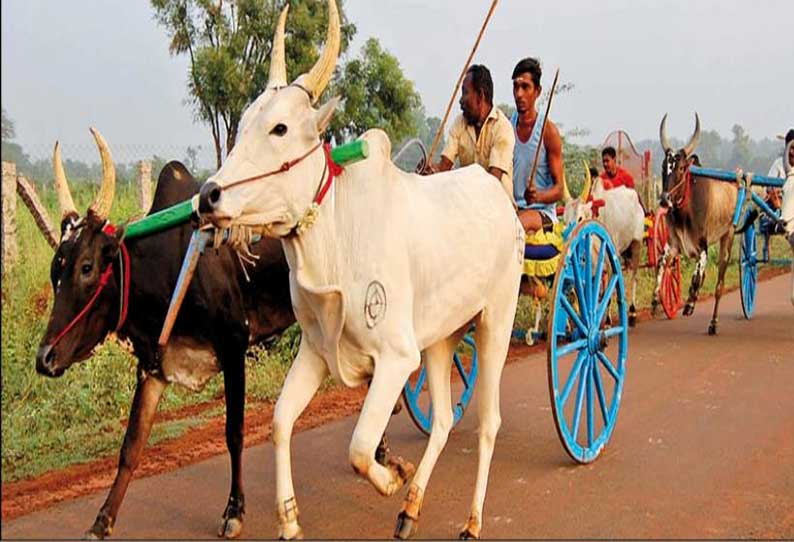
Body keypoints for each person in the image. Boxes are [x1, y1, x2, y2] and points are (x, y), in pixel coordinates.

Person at [426, 64, 515, 202]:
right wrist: (430, 172)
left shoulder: (502, 128)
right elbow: (444, 167)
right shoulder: (459, 123)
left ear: (480, 96)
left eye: (465, 93)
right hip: (469, 206)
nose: (461, 101)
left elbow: (492, 183)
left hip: (498, 210)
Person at [510, 57, 564, 234]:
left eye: (525, 87)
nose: (519, 94)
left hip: (541, 214)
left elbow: (559, 190)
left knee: (514, 227)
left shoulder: (548, 132)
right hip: (512, 209)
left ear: (538, 91)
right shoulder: (506, 127)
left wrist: (538, 196)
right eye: (516, 86)